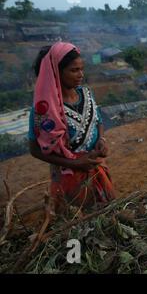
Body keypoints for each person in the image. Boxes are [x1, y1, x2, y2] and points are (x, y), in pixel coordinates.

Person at [29, 42, 115, 213]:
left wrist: (101, 139)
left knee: (107, 218)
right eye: (74, 70)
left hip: (97, 171)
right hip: (68, 182)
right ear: (55, 73)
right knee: (78, 224)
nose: (81, 75)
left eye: (81, 69)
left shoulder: (86, 94)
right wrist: (75, 162)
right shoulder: (43, 111)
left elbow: (97, 120)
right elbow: (35, 150)